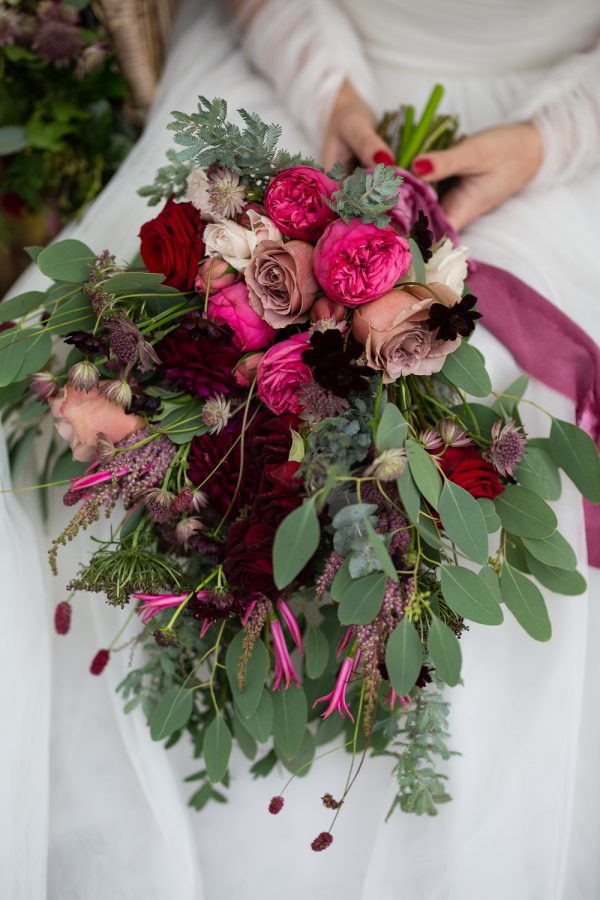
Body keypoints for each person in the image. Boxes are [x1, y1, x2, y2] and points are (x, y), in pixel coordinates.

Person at [2, 1, 599, 898]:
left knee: (503, 438)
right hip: (303, 77)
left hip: (558, 127)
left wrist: (556, 136)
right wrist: (332, 94)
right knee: (116, 360)